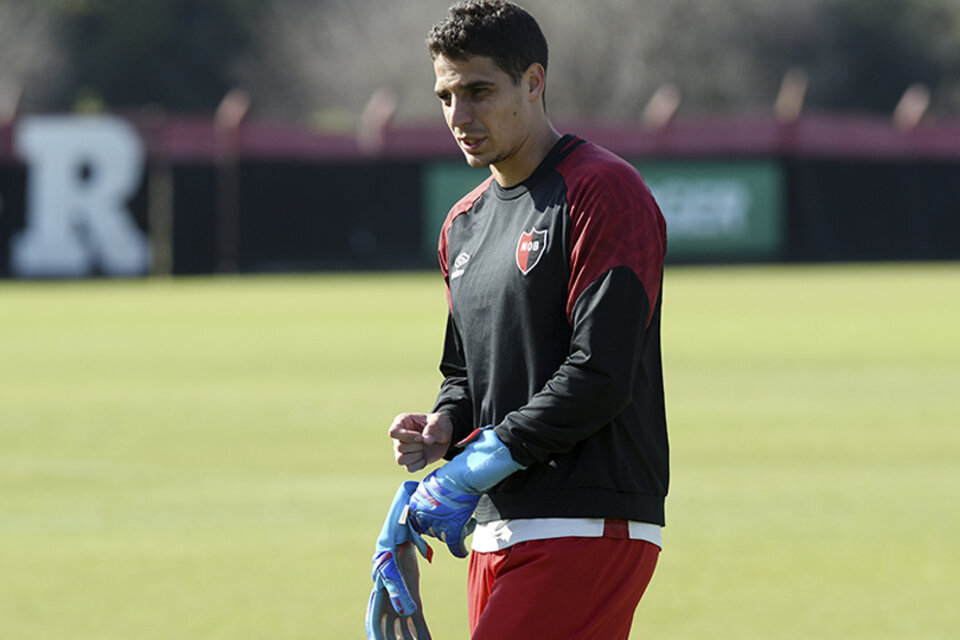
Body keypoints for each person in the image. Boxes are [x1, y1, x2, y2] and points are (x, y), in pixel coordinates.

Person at [387, 1, 669, 638]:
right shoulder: (462, 224)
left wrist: (471, 466)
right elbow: (465, 374)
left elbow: (601, 372)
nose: (460, 116)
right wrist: (444, 428)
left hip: (586, 519)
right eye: (446, 96)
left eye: (480, 91)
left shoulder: (603, 190)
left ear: (534, 83)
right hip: (492, 525)